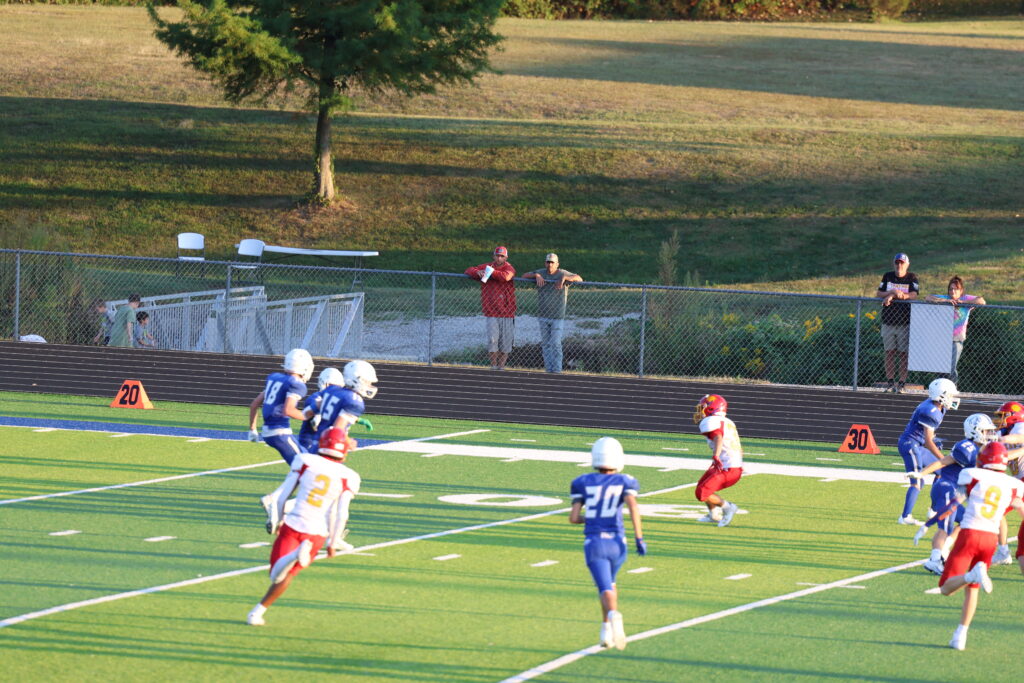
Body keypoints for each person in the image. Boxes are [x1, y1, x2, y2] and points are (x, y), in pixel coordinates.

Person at [247, 427, 361, 626]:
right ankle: (257, 612)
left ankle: (292, 557)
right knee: (288, 574)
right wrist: (333, 542)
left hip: (294, 524)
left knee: (276, 575)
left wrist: (278, 520)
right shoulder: (350, 476)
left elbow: (282, 496)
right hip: (317, 533)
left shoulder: (306, 461)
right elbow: (341, 513)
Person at [262, 359, 377, 535]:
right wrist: (347, 441)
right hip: (329, 447)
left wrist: (308, 417)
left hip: (319, 444)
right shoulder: (355, 401)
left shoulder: (333, 391)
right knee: (332, 491)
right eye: (367, 381)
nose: (369, 386)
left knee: (317, 486)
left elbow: (310, 411)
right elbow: (337, 428)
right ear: (357, 379)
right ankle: (329, 533)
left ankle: (325, 530)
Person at [933, 442, 1024, 651]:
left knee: (946, 587)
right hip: (990, 540)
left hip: (970, 534)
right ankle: (960, 635)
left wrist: (932, 521)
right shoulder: (1013, 485)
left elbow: (956, 501)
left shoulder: (971, 475)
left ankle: (971, 576)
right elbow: (1020, 508)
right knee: (973, 589)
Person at [569, 437, 645, 651]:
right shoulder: (625, 481)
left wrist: (591, 519)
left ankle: (612, 615)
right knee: (610, 584)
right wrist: (639, 538)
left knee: (604, 588)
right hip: (618, 543)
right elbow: (633, 508)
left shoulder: (582, 482)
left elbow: (574, 518)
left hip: (595, 543)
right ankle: (606, 631)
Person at [910, 413, 996, 575]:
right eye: (985, 431)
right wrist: (921, 474)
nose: (989, 434)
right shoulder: (967, 448)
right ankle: (934, 560)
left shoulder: (980, 449)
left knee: (967, 520)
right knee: (945, 527)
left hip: (953, 491)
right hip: (946, 488)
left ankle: (943, 551)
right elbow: (943, 462)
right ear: (975, 431)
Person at [897, 378, 959, 525]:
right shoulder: (930, 411)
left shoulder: (939, 407)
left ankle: (934, 510)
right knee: (918, 481)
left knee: (941, 472)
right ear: (941, 395)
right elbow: (928, 442)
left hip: (917, 444)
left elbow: (928, 438)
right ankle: (905, 517)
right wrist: (944, 458)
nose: (952, 398)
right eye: (950, 395)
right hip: (910, 445)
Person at [248, 348, 314, 466]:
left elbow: (254, 404)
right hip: (279, 432)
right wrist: (308, 416)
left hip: (268, 431)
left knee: (306, 457)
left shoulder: (275, 378)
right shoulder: (297, 385)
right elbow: (288, 410)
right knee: (304, 466)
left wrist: (253, 429)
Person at [524, 253, 582, 374]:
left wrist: (565, 278)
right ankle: (548, 369)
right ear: (545, 263)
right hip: (543, 315)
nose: (550, 265)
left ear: (557, 264)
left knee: (555, 344)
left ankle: (557, 370)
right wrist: (536, 275)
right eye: (548, 262)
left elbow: (579, 278)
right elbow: (524, 276)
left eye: (552, 262)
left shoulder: (562, 273)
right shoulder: (541, 272)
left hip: (557, 316)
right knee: (546, 344)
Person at [692, 394, 744, 527]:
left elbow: (718, 437)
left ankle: (728, 507)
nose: (700, 411)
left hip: (727, 467)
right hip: (732, 465)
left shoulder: (711, 421)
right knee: (701, 485)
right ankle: (713, 515)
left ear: (711, 408)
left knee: (702, 493)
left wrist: (716, 455)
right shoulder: (728, 422)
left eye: (703, 407)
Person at [925, 276, 985, 384]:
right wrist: (945, 301)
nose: (953, 291)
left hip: (956, 339)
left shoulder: (965, 298)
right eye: (951, 289)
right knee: (940, 368)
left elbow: (981, 301)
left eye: (956, 289)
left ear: (961, 291)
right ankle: (940, 389)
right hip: (942, 339)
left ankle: (952, 388)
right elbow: (928, 297)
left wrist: (963, 302)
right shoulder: (946, 298)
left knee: (951, 367)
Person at [464, 246, 516, 370]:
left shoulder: (509, 267)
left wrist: (491, 273)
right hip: (491, 311)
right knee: (493, 341)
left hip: (507, 312)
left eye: (502, 256)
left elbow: (506, 276)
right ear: (493, 256)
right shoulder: (487, 266)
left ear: (506, 257)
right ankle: (493, 366)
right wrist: (477, 272)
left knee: (505, 343)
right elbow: (468, 270)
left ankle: (501, 367)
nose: (499, 258)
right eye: (497, 255)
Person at [876, 253, 919, 393]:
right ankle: (890, 383)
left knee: (903, 354)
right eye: (897, 262)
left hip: (904, 322)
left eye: (902, 263)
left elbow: (914, 294)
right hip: (888, 321)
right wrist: (893, 292)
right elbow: (879, 293)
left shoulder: (912, 277)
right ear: (894, 263)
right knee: (889, 352)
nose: (899, 265)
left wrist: (895, 295)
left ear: (907, 264)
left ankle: (901, 383)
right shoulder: (887, 276)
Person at [991, 401, 1024, 566]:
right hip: (1019, 481)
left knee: (996, 510)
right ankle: (1003, 551)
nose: (999, 419)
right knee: (996, 511)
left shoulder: (1020, 427)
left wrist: (1000, 439)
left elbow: (1020, 437)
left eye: (1003, 416)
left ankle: (1003, 551)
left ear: (1014, 417)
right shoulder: (1005, 431)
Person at [296, 367, 344, 453]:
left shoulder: (335, 399)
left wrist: (357, 419)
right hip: (309, 443)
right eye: (333, 386)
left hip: (325, 442)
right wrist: (317, 416)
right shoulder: (315, 398)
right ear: (325, 384)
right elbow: (315, 415)